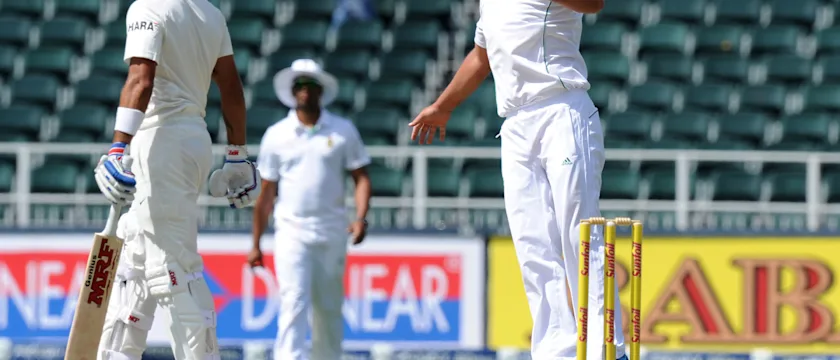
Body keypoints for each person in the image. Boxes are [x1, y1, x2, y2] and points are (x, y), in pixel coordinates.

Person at [408, 1, 627, 359]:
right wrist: (444, 105)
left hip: (561, 108)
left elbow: (595, 3)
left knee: (579, 231)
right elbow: (481, 57)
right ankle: (556, 346)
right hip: (514, 123)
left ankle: (606, 346)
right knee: (532, 239)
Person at [93, 0, 261, 359]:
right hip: (192, 138)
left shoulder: (148, 7)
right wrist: (237, 155)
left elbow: (141, 79)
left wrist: (117, 148)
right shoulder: (210, 13)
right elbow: (231, 86)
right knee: (133, 268)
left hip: (160, 143)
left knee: (173, 269)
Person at [249, 59, 372, 360]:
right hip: (292, 231)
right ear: (292, 92)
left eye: (310, 86)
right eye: (299, 86)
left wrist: (360, 218)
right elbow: (266, 195)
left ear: (321, 91)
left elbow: (361, 178)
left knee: (329, 306)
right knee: (293, 301)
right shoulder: (276, 135)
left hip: (332, 231)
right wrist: (255, 243)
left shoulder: (343, 131)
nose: (304, 92)